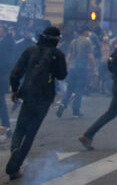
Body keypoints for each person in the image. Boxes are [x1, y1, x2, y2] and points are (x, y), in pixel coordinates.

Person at [6, 26, 67, 180]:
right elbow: (61, 75)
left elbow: (16, 72)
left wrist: (14, 90)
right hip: (44, 97)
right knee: (31, 132)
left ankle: (14, 149)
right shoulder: (57, 54)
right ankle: (16, 166)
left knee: (20, 128)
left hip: (27, 94)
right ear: (56, 39)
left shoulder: (30, 50)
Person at [57, 26, 95, 118]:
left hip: (72, 68)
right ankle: (75, 111)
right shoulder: (87, 41)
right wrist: (93, 67)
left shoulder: (73, 42)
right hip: (81, 68)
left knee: (70, 89)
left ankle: (63, 104)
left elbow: (68, 56)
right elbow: (90, 56)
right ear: (85, 31)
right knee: (79, 90)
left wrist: (67, 67)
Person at [0, 25, 15, 138]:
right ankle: (7, 128)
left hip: (2, 77)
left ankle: (7, 128)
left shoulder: (8, 41)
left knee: (1, 105)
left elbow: (8, 60)